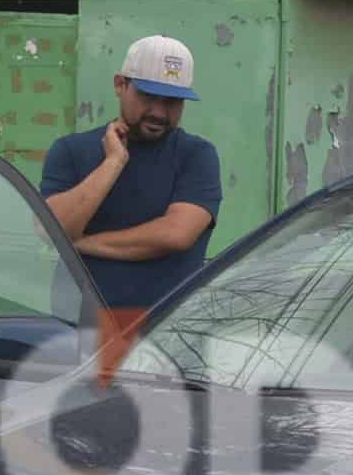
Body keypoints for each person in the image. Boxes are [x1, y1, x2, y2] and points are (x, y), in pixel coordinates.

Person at [39, 35, 222, 386]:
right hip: (82, 343)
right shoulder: (71, 152)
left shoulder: (196, 156)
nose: (160, 112)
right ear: (120, 85)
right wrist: (113, 162)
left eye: (172, 102)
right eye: (149, 96)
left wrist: (81, 243)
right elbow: (54, 226)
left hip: (170, 344)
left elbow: (176, 234)